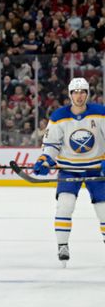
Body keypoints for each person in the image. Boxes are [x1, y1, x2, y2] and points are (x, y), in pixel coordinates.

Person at [34, 77, 105, 265]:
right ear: (70, 94)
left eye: (83, 92)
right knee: (65, 205)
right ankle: (62, 246)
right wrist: (45, 159)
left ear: (87, 94)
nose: (79, 96)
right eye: (75, 92)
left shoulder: (100, 113)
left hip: (96, 168)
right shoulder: (58, 116)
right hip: (69, 169)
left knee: (104, 210)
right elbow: (51, 145)